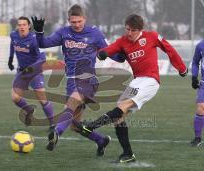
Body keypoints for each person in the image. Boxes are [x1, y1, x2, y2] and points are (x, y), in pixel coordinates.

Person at [80, 14, 188, 163]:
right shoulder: (123, 40)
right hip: (136, 82)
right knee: (119, 115)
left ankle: (91, 126)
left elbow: (170, 50)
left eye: (133, 30)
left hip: (150, 81)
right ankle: (128, 154)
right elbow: (111, 48)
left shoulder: (152, 36)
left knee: (123, 106)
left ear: (140, 30)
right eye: (127, 29)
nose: (129, 33)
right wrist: (103, 53)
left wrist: (181, 68)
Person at [32, 4, 126, 156]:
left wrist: (121, 56)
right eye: (73, 22)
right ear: (69, 20)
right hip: (70, 80)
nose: (76, 25)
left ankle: (56, 133)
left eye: (79, 22)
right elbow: (43, 43)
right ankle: (101, 141)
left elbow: (108, 51)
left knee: (71, 104)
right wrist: (39, 32)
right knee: (75, 125)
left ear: (84, 19)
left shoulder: (95, 33)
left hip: (88, 79)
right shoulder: (63, 33)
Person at [8, 16, 55, 128]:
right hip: (21, 71)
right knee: (15, 97)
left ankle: (53, 123)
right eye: (19, 25)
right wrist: (10, 59)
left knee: (42, 99)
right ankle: (29, 109)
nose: (21, 27)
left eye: (24, 25)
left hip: (35, 72)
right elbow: (12, 45)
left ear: (29, 26)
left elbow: (42, 59)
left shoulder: (35, 40)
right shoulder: (13, 35)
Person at [190, 39, 204, 147]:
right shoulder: (200, 45)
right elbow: (195, 62)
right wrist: (194, 77)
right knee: (201, 106)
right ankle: (197, 138)